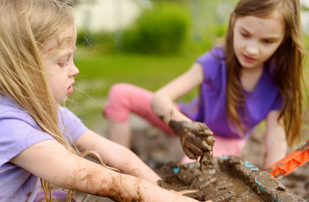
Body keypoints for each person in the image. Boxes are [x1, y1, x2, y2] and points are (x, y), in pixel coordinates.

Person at [0, 0, 224, 202]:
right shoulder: (8, 130)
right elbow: (107, 182)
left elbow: (118, 155)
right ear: (21, 70)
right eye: (63, 61)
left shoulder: (46, 112)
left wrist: (167, 193)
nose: (75, 70)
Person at [104, 0, 307, 169]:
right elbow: (160, 98)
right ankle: (119, 168)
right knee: (119, 94)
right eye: (245, 35)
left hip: (222, 140)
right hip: (187, 120)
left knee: (190, 171)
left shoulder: (277, 83)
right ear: (233, 22)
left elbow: (276, 142)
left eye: (267, 41)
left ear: (284, 40)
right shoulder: (216, 61)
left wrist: (271, 179)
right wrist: (185, 128)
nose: (252, 49)